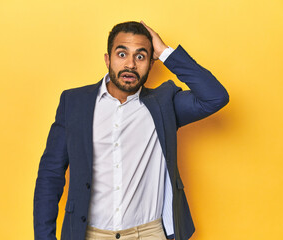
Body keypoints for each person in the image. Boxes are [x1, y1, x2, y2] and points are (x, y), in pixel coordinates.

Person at [34, 21, 229, 240]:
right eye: (121, 54)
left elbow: (215, 97)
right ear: (108, 59)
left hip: (148, 234)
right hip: (90, 234)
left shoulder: (164, 105)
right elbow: (50, 175)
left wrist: (165, 52)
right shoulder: (74, 103)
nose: (130, 64)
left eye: (140, 56)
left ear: (151, 64)